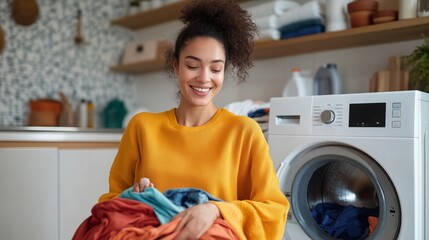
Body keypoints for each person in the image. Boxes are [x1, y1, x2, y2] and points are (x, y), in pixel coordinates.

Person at [99, 0, 290, 239]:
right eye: (192, 65)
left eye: (215, 69)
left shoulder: (244, 132)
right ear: (176, 66)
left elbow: (274, 210)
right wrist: (134, 196)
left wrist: (215, 209)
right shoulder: (142, 127)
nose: (203, 78)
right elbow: (109, 205)